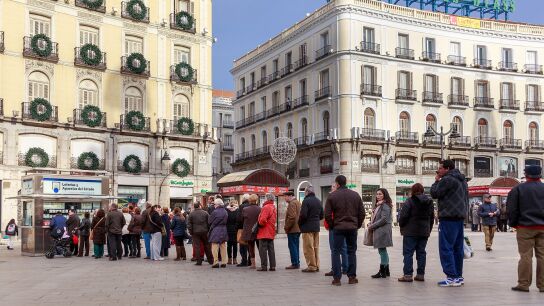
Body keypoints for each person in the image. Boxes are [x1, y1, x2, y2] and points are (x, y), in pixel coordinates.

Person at [430, 159, 468, 287]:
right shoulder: (462, 180)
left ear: (446, 169)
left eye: (440, 168)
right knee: (458, 248)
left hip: (448, 217)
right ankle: (458, 276)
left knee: (446, 247)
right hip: (459, 217)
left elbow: (434, 193)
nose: (438, 170)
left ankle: (451, 277)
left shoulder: (447, 179)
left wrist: (436, 181)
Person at [507, 165, 544, 293]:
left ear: (526, 174)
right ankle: (543, 285)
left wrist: (514, 224)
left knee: (525, 256)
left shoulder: (518, 189)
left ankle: (523, 284)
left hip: (524, 226)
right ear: (540, 174)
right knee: (543, 256)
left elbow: (512, 209)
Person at [325, 175, 365, 286]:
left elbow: (327, 214)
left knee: (336, 252)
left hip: (338, 227)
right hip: (352, 227)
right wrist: (356, 224)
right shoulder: (355, 195)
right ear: (345, 182)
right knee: (351, 251)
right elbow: (362, 213)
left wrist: (333, 225)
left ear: (337, 183)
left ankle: (337, 279)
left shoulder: (332, 196)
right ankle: (352, 277)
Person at [397, 183, 435, 282]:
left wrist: (402, 226)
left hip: (410, 231)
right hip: (424, 232)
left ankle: (408, 275)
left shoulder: (409, 201)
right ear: (422, 190)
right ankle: (420, 274)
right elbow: (431, 218)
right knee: (421, 253)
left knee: (408, 253)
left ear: (412, 191)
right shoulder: (429, 202)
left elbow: (403, 216)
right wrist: (428, 230)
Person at [324, 183, 349, 277]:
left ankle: (335, 269)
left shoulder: (332, 197)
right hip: (344, 225)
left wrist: (329, 225)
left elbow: (328, 214)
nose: (331, 189)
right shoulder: (344, 197)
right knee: (343, 248)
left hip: (335, 227)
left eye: (333, 187)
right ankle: (345, 268)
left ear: (337, 187)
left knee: (335, 249)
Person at [368, 188, 393, 279]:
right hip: (381, 230)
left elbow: (384, 219)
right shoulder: (380, 205)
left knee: (382, 251)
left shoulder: (384, 205)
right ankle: (386, 271)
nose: (378, 196)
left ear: (384, 195)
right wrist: (371, 223)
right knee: (383, 250)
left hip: (383, 231)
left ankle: (382, 271)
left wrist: (372, 226)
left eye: (380, 194)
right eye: (377, 194)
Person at [299, 185, 324, 273]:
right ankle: (317, 265)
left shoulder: (306, 201)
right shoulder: (318, 201)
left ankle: (311, 266)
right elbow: (322, 215)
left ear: (307, 192)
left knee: (308, 247)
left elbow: (303, 215)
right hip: (316, 227)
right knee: (315, 247)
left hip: (307, 227)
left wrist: (300, 223)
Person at [257, 193, 278, 271]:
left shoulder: (266, 207)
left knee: (263, 249)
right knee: (271, 250)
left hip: (264, 231)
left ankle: (264, 266)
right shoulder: (273, 207)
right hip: (271, 230)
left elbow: (262, 220)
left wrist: (260, 224)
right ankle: (272, 266)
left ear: (267, 199)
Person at [241, 194, 262, 269]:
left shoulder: (245, 209)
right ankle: (263, 263)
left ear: (249, 200)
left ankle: (253, 264)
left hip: (249, 231)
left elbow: (242, 220)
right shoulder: (260, 209)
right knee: (260, 247)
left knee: (250, 247)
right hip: (258, 230)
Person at [283, 191, 302, 269]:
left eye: (286, 196)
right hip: (298, 228)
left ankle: (295, 263)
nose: (285, 198)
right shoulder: (298, 202)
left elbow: (292, 217)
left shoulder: (292, 204)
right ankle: (297, 262)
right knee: (296, 246)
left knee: (292, 246)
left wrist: (286, 227)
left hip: (292, 229)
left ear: (290, 196)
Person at [209, 199, 229, 268]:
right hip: (224, 229)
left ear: (217, 205)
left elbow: (209, 221)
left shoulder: (215, 212)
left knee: (214, 246)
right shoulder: (225, 211)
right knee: (223, 246)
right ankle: (224, 262)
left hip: (216, 229)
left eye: (214, 204)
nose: (214, 205)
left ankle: (216, 262)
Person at [236, 194, 251, 267]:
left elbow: (239, 219)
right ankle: (250, 260)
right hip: (251, 229)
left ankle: (244, 261)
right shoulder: (253, 206)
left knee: (242, 245)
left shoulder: (242, 206)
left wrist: (238, 228)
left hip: (242, 228)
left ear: (244, 199)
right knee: (250, 245)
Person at [226, 199, 240, 265]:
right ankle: (235, 259)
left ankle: (229, 259)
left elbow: (225, 219)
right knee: (235, 245)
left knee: (229, 245)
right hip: (235, 230)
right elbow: (238, 220)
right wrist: (236, 227)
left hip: (228, 229)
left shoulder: (227, 210)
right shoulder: (237, 210)